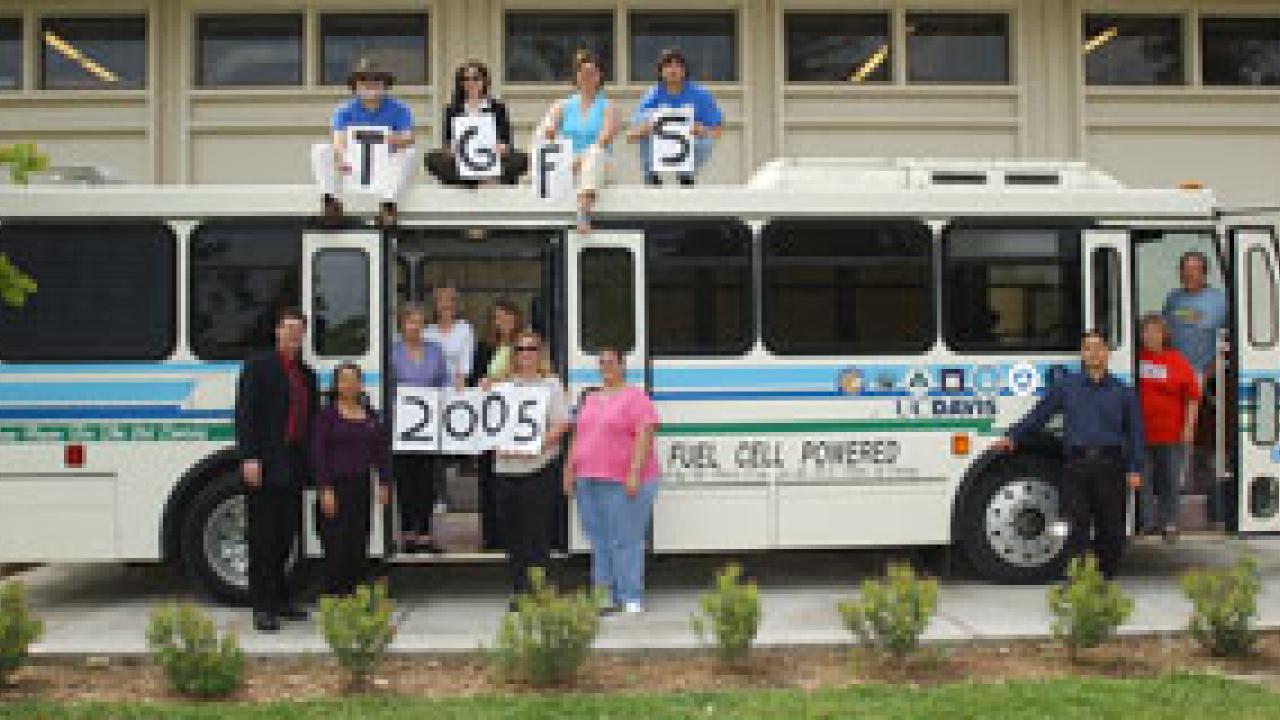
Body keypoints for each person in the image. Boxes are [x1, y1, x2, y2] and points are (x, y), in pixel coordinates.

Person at [994, 330, 1144, 580]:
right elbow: (1039, 415)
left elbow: (1135, 433)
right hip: (1076, 465)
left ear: (1107, 353)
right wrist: (1013, 436)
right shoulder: (1066, 387)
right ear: (1082, 355)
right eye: (1088, 348)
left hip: (1111, 466)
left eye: (1098, 347)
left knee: (1113, 530)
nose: (1093, 353)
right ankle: (1079, 580)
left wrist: (1135, 468)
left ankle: (1105, 578)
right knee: (1075, 527)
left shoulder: (1123, 391)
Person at [234, 306, 318, 633]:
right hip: (265, 463)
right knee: (263, 539)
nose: (294, 335)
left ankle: (283, 599)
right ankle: (262, 606)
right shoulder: (258, 367)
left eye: (299, 331)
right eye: (288, 329)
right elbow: (245, 414)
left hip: (294, 463)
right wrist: (249, 457)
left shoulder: (306, 374)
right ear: (277, 331)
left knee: (287, 536)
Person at [564, 348, 660, 614]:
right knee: (599, 540)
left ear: (622, 366)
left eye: (611, 363)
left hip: (623, 480)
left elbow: (644, 434)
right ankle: (604, 595)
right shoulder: (590, 398)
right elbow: (577, 436)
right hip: (588, 479)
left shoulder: (635, 397)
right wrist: (569, 470)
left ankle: (630, 596)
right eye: (602, 363)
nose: (606, 367)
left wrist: (634, 473)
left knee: (626, 540)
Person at [492, 330, 571, 600]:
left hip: (539, 470)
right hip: (505, 470)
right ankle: (519, 591)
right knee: (513, 537)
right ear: (514, 354)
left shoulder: (551, 384)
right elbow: (485, 422)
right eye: (521, 349)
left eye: (532, 349)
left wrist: (537, 444)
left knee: (537, 535)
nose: (526, 354)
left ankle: (539, 589)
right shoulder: (499, 386)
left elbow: (561, 423)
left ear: (541, 353)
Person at [1161, 250, 1228, 525]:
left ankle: (1198, 499)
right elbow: (1165, 334)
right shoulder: (1173, 299)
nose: (1189, 274)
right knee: (1173, 434)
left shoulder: (1219, 301)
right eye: (1185, 269)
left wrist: (1209, 370)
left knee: (1197, 437)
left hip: (1203, 376)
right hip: (1174, 374)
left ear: (1205, 272)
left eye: (1195, 269)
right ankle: (1173, 496)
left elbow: (1229, 340)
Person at [310, 58, 417, 228]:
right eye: (364, 81)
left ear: (384, 85)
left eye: (376, 80)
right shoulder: (344, 110)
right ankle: (330, 200)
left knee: (410, 152)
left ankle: (388, 205)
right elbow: (337, 138)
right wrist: (339, 158)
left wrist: (391, 139)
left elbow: (409, 137)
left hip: (383, 169)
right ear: (356, 86)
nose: (370, 85)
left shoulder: (399, 109)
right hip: (352, 169)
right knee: (320, 149)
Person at [311, 363, 390, 596]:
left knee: (359, 541)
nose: (349, 384)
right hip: (335, 487)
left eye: (354, 380)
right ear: (336, 385)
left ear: (360, 384)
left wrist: (384, 482)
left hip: (361, 485)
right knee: (336, 544)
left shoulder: (370, 414)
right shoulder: (326, 416)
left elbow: (381, 451)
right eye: (344, 380)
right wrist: (324, 489)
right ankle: (334, 596)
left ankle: (355, 597)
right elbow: (318, 454)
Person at [1136, 314, 1200, 543]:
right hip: (1141, 434)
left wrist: (1189, 427)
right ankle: (1146, 523)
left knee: (1170, 482)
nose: (1150, 336)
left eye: (1155, 331)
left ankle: (1169, 524)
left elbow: (1192, 397)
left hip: (1171, 434)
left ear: (1164, 335)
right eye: (1146, 331)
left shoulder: (1176, 361)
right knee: (1143, 481)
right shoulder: (1135, 360)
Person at [539, 50, 619, 233]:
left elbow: (604, 139)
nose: (587, 78)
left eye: (592, 73)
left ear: (600, 77)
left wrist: (580, 160)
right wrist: (550, 129)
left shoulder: (608, 106)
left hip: (599, 162)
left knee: (595, 153)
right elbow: (548, 130)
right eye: (583, 73)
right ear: (576, 77)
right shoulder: (561, 105)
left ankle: (583, 209)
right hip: (568, 162)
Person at [391, 304, 449, 552]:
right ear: (401, 325)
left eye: (419, 322)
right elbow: (387, 386)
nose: (415, 327)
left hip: (428, 424)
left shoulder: (435, 351)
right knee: (405, 481)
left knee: (427, 480)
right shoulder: (391, 352)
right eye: (410, 322)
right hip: (401, 425)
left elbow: (443, 381)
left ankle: (425, 533)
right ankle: (407, 534)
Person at [470, 299, 524, 551]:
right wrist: (481, 382)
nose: (502, 322)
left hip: (515, 422)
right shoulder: (484, 347)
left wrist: (503, 379)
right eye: (497, 317)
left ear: (516, 318)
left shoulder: (525, 346)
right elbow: (475, 378)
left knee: (511, 478)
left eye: (507, 317)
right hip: (489, 421)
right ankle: (491, 536)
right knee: (488, 477)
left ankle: (511, 534)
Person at [626, 48, 723, 187]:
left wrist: (702, 130)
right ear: (661, 71)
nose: (673, 69)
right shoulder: (652, 95)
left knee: (706, 141)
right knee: (645, 120)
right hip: (661, 142)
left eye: (678, 65)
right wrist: (644, 128)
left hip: (687, 143)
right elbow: (630, 136)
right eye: (668, 65)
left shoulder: (700, 95)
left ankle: (686, 174)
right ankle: (651, 175)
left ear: (684, 71)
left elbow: (717, 132)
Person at [426, 60, 528, 187]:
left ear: (484, 81)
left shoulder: (498, 108)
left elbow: (507, 141)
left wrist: (502, 147)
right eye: (466, 79)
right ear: (461, 83)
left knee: (520, 159)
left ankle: (475, 180)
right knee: (432, 158)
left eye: (476, 78)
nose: (471, 83)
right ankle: (479, 180)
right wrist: (451, 149)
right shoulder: (452, 109)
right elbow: (447, 141)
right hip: (464, 157)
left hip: (490, 155)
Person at [424, 285, 475, 515]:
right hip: (430, 394)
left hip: (454, 392)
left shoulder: (465, 330)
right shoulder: (427, 332)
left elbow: (464, 366)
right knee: (434, 449)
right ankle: (439, 496)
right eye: (441, 300)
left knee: (453, 444)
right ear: (435, 305)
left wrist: (457, 397)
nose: (445, 305)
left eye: (450, 300)